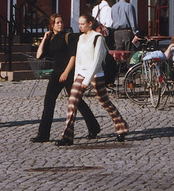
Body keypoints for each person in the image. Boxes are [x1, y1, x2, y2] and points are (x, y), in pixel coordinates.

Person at [56, 14, 127, 145]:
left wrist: (86, 81)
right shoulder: (81, 38)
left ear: (90, 23)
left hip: (95, 74)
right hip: (81, 74)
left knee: (105, 102)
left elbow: (97, 61)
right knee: (72, 102)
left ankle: (121, 127)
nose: (80, 26)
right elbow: (79, 59)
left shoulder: (97, 38)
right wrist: (77, 76)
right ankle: (67, 136)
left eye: (82, 24)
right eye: (79, 24)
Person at [31, 13, 101, 143]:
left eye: (61, 22)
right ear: (52, 25)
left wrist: (66, 72)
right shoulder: (51, 38)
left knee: (77, 101)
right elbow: (39, 55)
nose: (60, 24)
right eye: (57, 22)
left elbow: (72, 56)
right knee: (48, 103)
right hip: (56, 73)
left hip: (68, 73)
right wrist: (44, 38)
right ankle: (43, 134)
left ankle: (93, 127)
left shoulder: (68, 36)